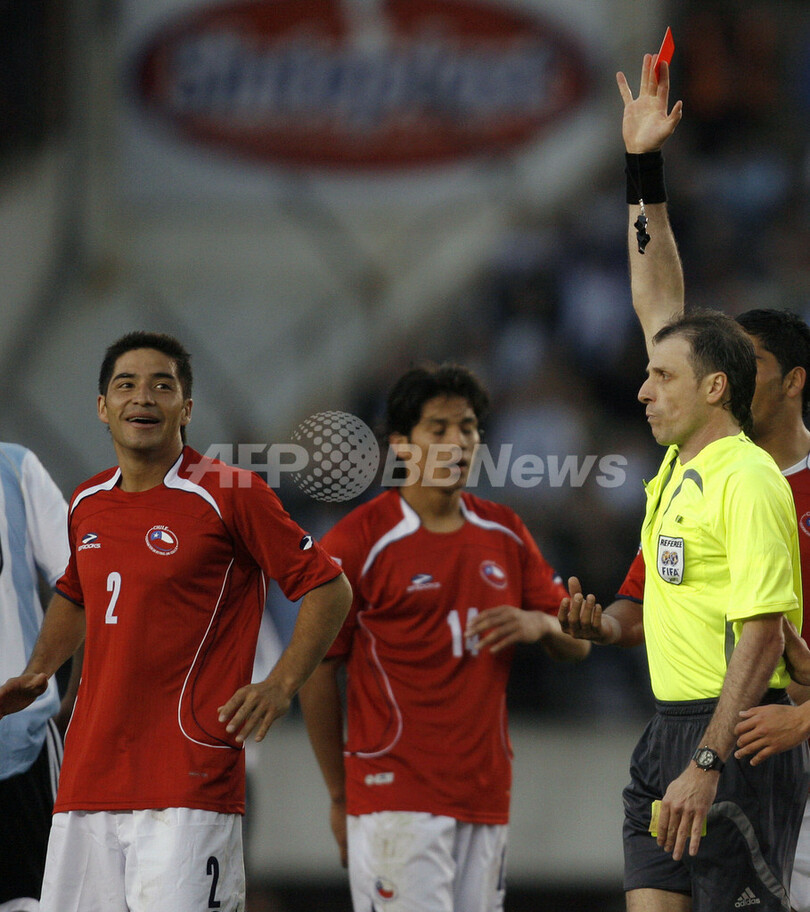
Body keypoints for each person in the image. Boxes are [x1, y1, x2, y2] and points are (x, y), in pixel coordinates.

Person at [559, 54, 810, 912]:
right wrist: (641, 168)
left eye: (753, 362)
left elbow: (767, 634)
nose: (644, 387)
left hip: (763, 734)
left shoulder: (750, 482)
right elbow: (657, 298)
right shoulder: (684, 473)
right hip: (695, 726)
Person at [0, 331, 352, 912]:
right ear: (102, 408)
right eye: (126, 385)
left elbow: (328, 586)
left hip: (187, 782)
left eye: (162, 385)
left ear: (185, 409)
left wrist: (281, 682)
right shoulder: (88, 501)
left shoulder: (231, 492)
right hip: (86, 784)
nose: (143, 397)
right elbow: (76, 592)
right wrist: (40, 670)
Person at [298, 363, 591, 912]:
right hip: (394, 796)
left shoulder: (505, 530)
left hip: (484, 795)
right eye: (439, 429)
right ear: (402, 446)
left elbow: (577, 644)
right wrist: (340, 794)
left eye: (469, 428)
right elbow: (318, 670)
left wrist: (540, 623)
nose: (458, 442)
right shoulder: (357, 542)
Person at [0, 443, 77, 912]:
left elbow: (84, 577)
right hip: (23, 738)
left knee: (35, 900)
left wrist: (78, 688)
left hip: (18, 741)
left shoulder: (14, 466)